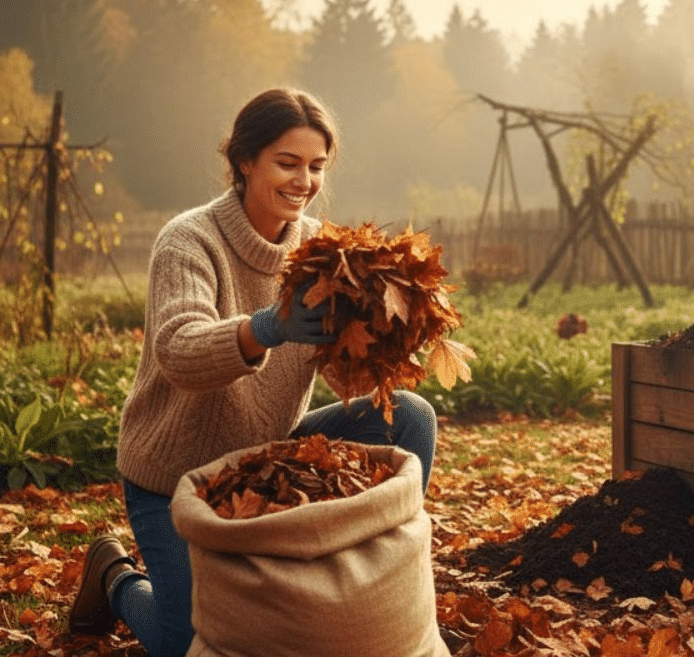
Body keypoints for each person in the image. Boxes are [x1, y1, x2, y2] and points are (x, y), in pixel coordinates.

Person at [67, 87, 439, 656]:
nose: (304, 181)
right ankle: (113, 576)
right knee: (183, 643)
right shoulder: (190, 241)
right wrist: (265, 327)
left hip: (266, 454)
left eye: (316, 167)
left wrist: (385, 342)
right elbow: (179, 350)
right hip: (172, 477)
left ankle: (368, 579)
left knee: (410, 418)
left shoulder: (321, 248)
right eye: (287, 163)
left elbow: (345, 380)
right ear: (244, 162)